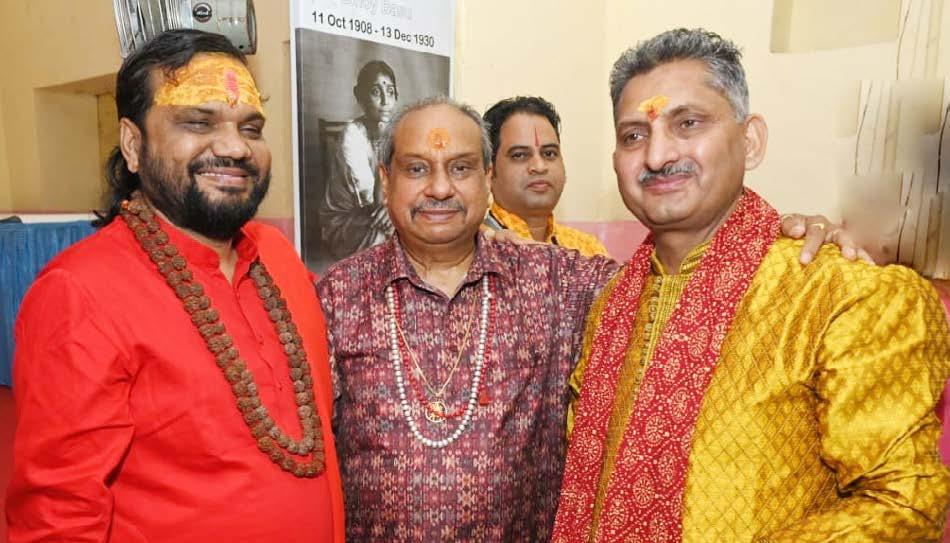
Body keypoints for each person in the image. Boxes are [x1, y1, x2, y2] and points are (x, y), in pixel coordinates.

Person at [317, 95, 856, 541]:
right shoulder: (336, 295)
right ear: (385, 180)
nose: (439, 189)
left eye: (460, 168)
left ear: (487, 178)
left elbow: (677, 280)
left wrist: (778, 237)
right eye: (417, 169)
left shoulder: (557, 280)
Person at [554, 28, 950, 543]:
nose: (656, 155)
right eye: (633, 135)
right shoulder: (613, 306)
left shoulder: (842, 293)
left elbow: (904, 503)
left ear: (751, 140)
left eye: (688, 123)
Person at [7, 30, 344, 542]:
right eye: (197, 122)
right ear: (133, 144)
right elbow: (56, 519)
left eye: (251, 128)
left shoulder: (277, 256)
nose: (235, 147)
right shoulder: (79, 292)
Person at [483, 96, 608, 257]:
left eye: (549, 153)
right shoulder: (475, 249)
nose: (539, 167)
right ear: (489, 172)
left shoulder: (588, 250)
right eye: (519, 155)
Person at [318, 60, 397, 261]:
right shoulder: (352, 135)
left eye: (390, 91)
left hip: (386, 213)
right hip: (346, 223)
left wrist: (394, 209)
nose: (385, 101)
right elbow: (371, 201)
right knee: (384, 233)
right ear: (360, 96)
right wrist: (383, 145)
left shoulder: (399, 132)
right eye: (376, 92)